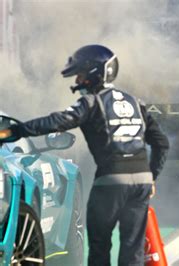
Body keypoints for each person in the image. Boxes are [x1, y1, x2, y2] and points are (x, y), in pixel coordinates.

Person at [0, 45, 170, 265]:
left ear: (93, 75)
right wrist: (152, 176)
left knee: (100, 245)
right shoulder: (136, 103)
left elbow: (56, 121)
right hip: (141, 182)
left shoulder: (91, 102)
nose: (77, 80)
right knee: (133, 247)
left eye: (80, 75)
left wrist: (16, 131)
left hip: (111, 180)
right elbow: (162, 143)